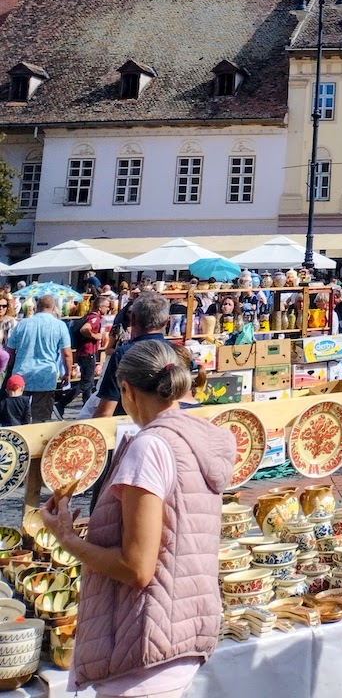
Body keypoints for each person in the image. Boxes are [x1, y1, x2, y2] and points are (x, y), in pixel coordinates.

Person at [43, 340, 236, 698]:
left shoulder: (150, 447)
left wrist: (67, 538)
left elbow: (137, 568)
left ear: (127, 390)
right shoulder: (196, 437)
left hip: (144, 645)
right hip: (177, 631)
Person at [94, 293, 172, 418]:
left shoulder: (123, 354)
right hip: (169, 425)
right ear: (166, 321)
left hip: (128, 426)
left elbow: (106, 411)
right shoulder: (177, 351)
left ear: (133, 319)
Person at [7, 293, 73, 423]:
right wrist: (68, 373)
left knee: (17, 419)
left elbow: (10, 350)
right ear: (53, 308)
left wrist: (11, 369)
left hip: (21, 375)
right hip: (45, 376)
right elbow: (67, 354)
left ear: (37, 306)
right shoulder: (60, 326)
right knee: (41, 420)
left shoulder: (22, 324)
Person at [72, 295, 104, 407]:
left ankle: (87, 405)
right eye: (106, 307)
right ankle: (62, 403)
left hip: (83, 352)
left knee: (88, 382)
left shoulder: (88, 316)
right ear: (100, 307)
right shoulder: (94, 318)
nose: (107, 309)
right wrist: (96, 336)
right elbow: (84, 329)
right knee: (87, 382)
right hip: (88, 352)